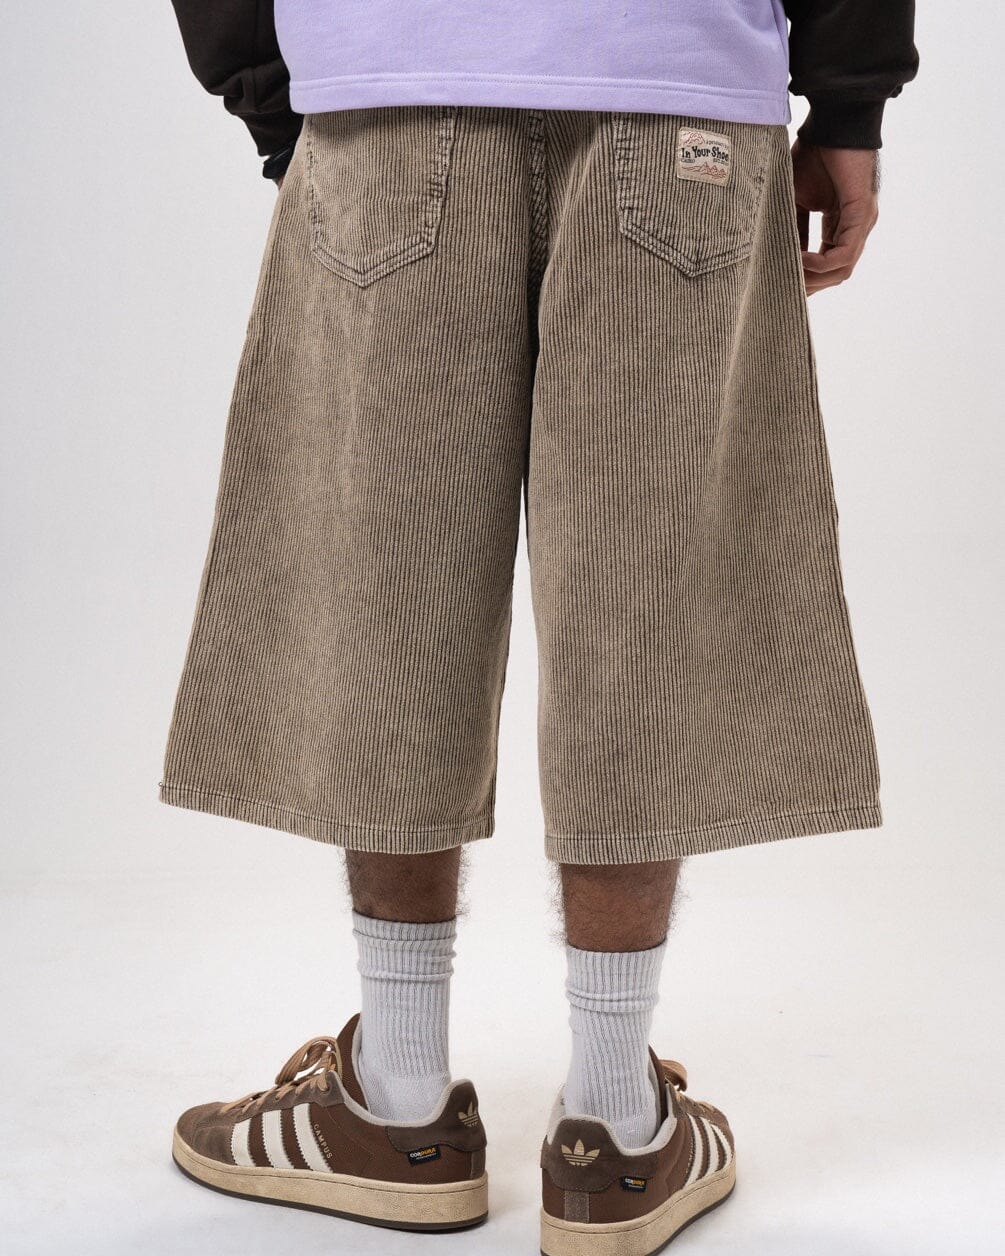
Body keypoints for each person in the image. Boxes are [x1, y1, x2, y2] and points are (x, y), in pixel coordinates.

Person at [161, 3, 918, 1251]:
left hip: (391, 80)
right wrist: (850, 99)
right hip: (679, 89)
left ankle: (398, 1102)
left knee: (387, 578)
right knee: (646, 593)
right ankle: (614, 1129)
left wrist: (270, 85)